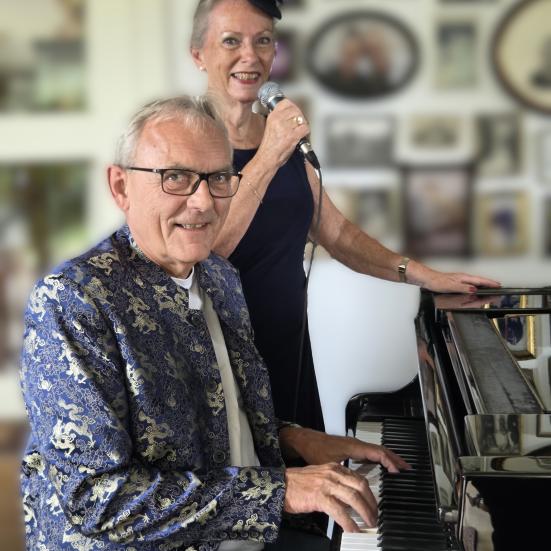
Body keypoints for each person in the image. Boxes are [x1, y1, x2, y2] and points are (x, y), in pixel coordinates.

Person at [19, 96, 409, 551]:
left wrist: (296, 439)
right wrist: (280, 491)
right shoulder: (71, 301)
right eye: (176, 177)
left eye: (219, 177)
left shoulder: (220, 276)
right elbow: (97, 501)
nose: (203, 201)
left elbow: (215, 412)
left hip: (248, 533)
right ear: (121, 187)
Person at [189, 0, 500, 432]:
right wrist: (270, 154)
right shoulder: (188, 142)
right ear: (199, 55)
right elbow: (207, 248)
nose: (250, 55)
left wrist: (424, 275)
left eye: (263, 41)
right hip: (221, 363)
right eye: (231, 41)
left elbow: (335, 232)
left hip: (289, 358)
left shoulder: (283, 139)